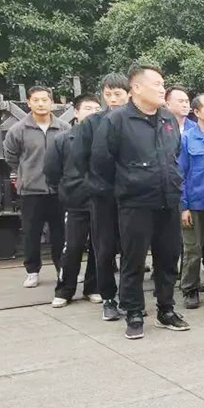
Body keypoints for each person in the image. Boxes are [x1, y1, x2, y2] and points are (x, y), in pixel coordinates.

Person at [91, 64, 190, 340]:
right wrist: (126, 189)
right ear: (136, 88)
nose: (162, 89)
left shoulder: (168, 119)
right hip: (135, 203)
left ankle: (166, 309)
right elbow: (101, 164)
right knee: (133, 261)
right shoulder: (117, 120)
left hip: (169, 200)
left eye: (163, 84)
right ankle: (134, 312)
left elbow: (174, 155)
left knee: (168, 258)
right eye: (157, 84)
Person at [72, 73, 130, 321]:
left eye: (118, 94)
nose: (113, 99)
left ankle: (129, 298)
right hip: (102, 198)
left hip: (133, 197)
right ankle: (108, 297)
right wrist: (94, 185)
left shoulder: (137, 122)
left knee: (131, 250)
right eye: (108, 94)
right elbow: (79, 160)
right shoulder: (92, 124)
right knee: (104, 250)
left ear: (129, 94)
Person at [4, 86, 70, 288]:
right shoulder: (19, 130)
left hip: (59, 191)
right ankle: (32, 271)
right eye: (36, 100)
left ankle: (63, 269)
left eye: (44, 100)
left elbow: (70, 155)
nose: (41, 104)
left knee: (61, 233)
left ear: (52, 103)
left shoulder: (64, 128)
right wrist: (27, 173)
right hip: (31, 191)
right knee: (31, 233)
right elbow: (11, 156)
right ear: (29, 103)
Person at [44, 94, 102, 307]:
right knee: (72, 246)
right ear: (76, 113)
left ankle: (93, 287)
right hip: (75, 202)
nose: (93, 113)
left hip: (101, 201)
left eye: (97, 109)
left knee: (99, 247)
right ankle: (65, 289)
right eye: (88, 108)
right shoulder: (63, 139)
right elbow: (51, 170)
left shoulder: (106, 138)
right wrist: (65, 190)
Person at [178, 94, 204, 309]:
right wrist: (183, 206)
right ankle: (190, 289)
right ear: (197, 112)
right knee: (193, 250)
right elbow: (180, 174)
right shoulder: (187, 138)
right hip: (195, 203)